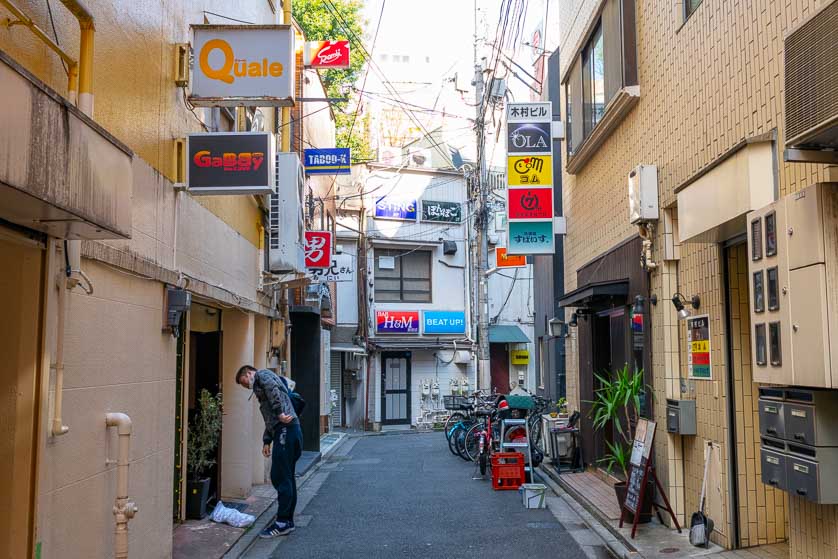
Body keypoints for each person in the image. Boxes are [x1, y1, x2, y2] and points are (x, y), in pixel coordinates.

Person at [235, 365, 303, 538]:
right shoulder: (260, 388)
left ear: (249, 373)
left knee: (280, 476)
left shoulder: (263, 376)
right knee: (286, 477)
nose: (246, 387)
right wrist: (267, 440)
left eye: (244, 383)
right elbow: (269, 417)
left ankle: (282, 523)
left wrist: (280, 413)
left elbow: (273, 393)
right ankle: (286, 520)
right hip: (287, 430)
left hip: (286, 429)